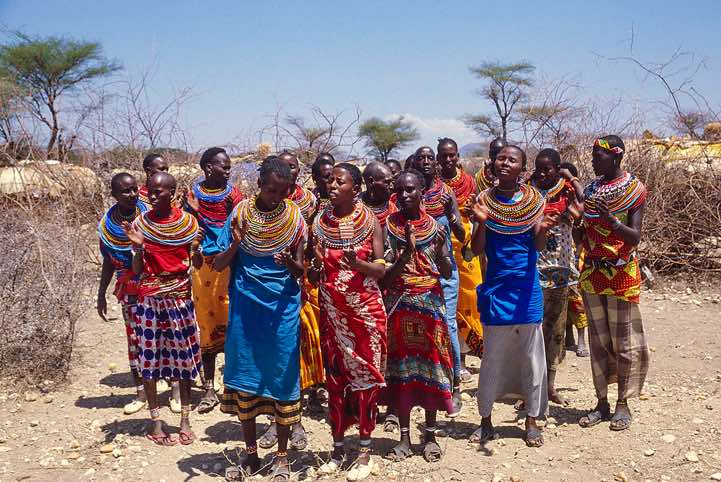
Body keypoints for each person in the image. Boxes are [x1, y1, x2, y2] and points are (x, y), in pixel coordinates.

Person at [215, 157, 307, 481]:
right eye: (271, 190)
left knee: (282, 376)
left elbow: (301, 270)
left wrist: (287, 264)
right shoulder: (239, 216)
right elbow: (217, 264)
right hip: (246, 310)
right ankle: (251, 456)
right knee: (246, 378)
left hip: (282, 310)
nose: (276, 197)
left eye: (283, 192)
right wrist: (238, 242)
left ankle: (282, 458)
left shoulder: (295, 218)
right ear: (259, 185)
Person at [468, 145, 557, 448]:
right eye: (501, 158)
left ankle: (532, 419)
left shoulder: (535, 201)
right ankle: (486, 419)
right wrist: (480, 221)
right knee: (493, 356)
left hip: (527, 288)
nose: (505, 163)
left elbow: (540, 246)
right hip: (497, 288)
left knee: (532, 357)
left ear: (523, 168)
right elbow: (477, 250)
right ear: (493, 163)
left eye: (512, 160)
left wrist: (542, 229)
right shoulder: (483, 200)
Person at [310, 163, 386, 481]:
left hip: (365, 313)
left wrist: (359, 263)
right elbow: (315, 274)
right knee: (336, 380)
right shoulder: (318, 223)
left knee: (366, 380)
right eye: (330, 180)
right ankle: (339, 447)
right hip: (333, 314)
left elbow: (381, 270)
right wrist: (312, 268)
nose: (332, 184)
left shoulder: (370, 221)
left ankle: (365, 451)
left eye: (340, 181)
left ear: (355, 189)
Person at [124, 171, 202, 446]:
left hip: (180, 298)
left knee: (183, 361)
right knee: (150, 361)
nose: (153, 196)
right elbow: (136, 271)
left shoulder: (188, 223)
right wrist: (138, 249)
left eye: (160, 191)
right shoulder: (140, 224)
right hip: (150, 300)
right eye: (151, 191)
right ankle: (156, 421)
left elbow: (198, 262)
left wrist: (198, 240)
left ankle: (184, 420)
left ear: (172, 192)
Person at [578, 135, 649, 432]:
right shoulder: (592, 189)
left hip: (621, 275)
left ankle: (623, 403)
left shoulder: (634, 189)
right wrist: (576, 230)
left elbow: (635, 237)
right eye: (593, 154)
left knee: (623, 342)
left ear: (616, 157)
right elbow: (584, 237)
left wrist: (613, 223)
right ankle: (601, 402)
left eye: (598, 155)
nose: (593, 159)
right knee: (598, 342)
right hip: (592, 275)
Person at [382, 170, 455, 463]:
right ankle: (403, 437)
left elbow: (447, 272)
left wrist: (439, 252)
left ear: (423, 191)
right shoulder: (389, 227)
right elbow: (386, 278)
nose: (404, 196)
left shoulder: (437, 227)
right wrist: (406, 252)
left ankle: (431, 434)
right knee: (401, 371)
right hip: (400, 304)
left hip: (430, 306)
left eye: (410, 190)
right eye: (399, 191)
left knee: (432, 369)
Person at [257, 151, 319, 452]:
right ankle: (273, 421)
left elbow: (312, 247)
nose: (290, 171)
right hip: (264, 292)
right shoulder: (260, 208)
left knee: (295, 358)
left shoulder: (307, 203)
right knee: (273, 358)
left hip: (299, 283)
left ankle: (296, 421)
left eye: (294, 167)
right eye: (285, 167)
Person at [184, 147, 245, 414]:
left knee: (233, 320)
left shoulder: (233, 195)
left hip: (229, 261)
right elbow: (186, 226)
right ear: (208, 168)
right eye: (223, 165)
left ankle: (232, 386)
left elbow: (236, 225)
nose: (228, 170)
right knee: (206, 323)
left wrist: (201, 215)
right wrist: (195, 217)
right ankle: (208, 387)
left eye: (229, 165)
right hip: (202, 265)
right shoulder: (191, 196)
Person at [410, 146, 465, 415]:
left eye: (430, 158)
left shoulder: (445, 193)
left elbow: (462, 233)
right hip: (417, 274)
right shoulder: (408, 195)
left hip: (445, 270)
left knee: (448, 325)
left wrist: (453, 220)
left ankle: (455, 386)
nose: (426, 162)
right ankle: (423, 385)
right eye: (421, 158)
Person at [530, 148, 584, 407]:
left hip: (560, 270)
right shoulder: (528, 192)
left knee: (557, 330)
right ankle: (531, 387)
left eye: (547, 169)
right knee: (534, 330)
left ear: (557, 169)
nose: (542, 173)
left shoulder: (567, 191)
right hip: (534, 270)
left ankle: (550, 386)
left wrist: (571, 178)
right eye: (538, 168)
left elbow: (582, 208)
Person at [97, 172, 148, 415]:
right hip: (128, 289)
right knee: (135, 340)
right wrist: (101, 294)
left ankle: (174, 390)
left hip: (155, 286)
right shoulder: (107, 226)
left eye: (134, 189)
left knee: (162, 338)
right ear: (114, 195)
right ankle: (140, 392)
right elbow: (108, 262)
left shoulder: (150, 215)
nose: (132, 194)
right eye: (125, 191)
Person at [437, 138, 485, 381]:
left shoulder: (469, 181)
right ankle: (458, 360)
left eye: (452, 155)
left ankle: (471, 352)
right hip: (442, 246)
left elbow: (477, 215)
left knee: (471, 297)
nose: (448, 160)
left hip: (465, 244)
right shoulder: (433, 186)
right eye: (443, 155)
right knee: (450, 303)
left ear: (457, 156)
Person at [560, 161, 590, 357]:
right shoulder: (556, 196)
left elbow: (581, 229)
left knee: (576, 299)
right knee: (560, 299)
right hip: (557, 256)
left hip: (575, 255)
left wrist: (578, 253)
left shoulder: (577, 199)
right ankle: (567, 336)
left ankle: (581, 339)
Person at [361, 161, 395, 228]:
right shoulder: (353, 209)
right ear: (371, 181)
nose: (392, 187)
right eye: (387, 182)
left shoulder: (395, 210)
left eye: (392, 182)